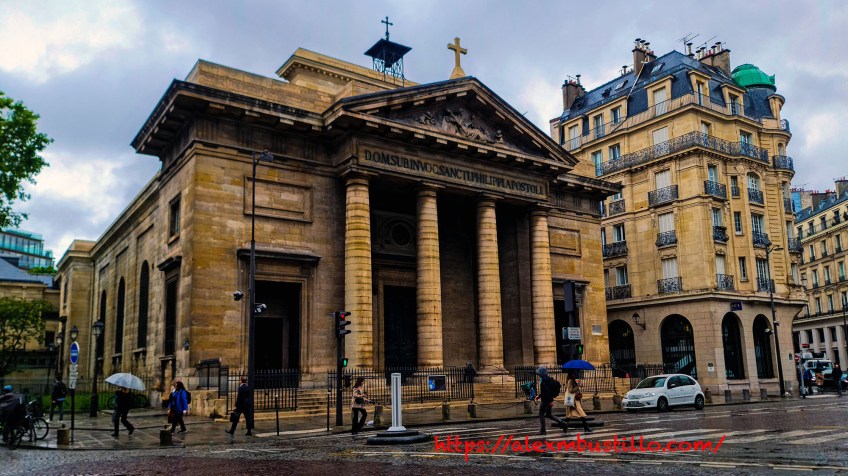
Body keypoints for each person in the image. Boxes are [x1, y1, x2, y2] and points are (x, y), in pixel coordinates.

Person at [533, 367, 566, 435]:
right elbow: (545, 392)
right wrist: (539, 396)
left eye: (539, 373)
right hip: (548, 399)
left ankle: (543, 430)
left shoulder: (544, 381)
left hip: (545, 400)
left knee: (541, 414)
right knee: (549, 415)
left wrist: (550, 401)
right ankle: (562, 423)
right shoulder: (548, 379)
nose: (538, 375)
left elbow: (547, 392)